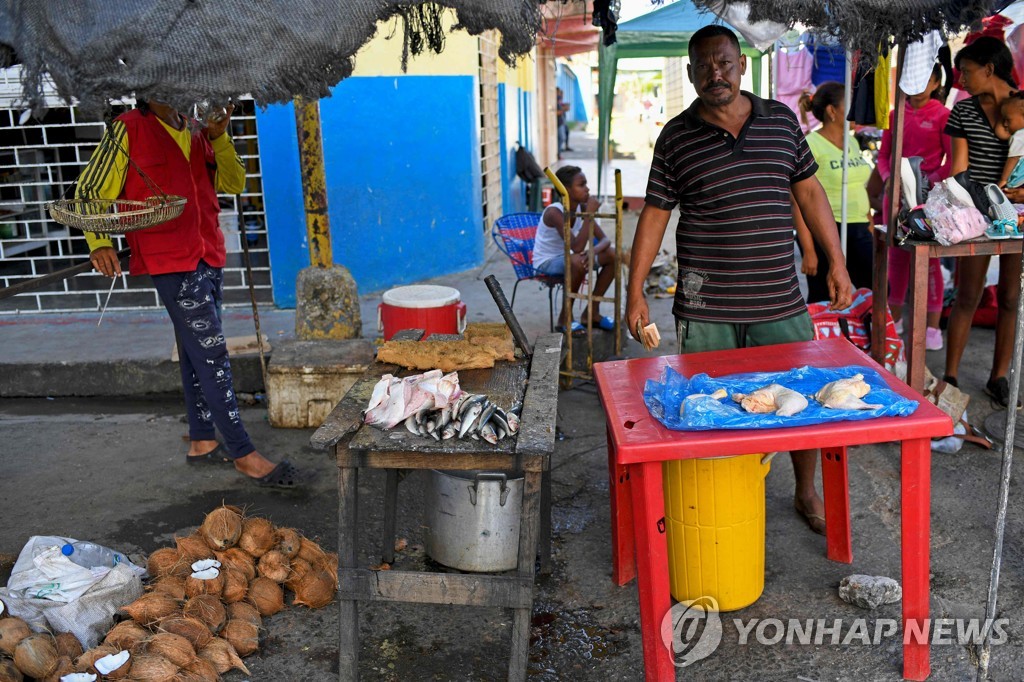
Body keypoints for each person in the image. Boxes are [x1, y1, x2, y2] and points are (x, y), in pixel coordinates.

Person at [627, 25, 854, 536]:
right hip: (707, 308)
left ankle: (803, 488)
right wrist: (635, 289)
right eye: (704, 65)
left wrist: (836, 262)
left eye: (725, 62)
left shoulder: (780, 121)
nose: (716, 73)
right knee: (711, 403)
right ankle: (723, 497)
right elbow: (655, 216)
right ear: (689, 73)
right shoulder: (676, 137)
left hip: (779, 299)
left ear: (742, 65)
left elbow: (811, 194)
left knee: (804, 402)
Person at [80, 99, 311, 488]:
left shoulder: (197, 128)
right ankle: (243, 453)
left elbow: (235, 183)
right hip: (169, 258)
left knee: (194, 349)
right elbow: (89, 190)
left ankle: (203, 440)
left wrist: (219, 137)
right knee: (212, 352)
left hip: (208, 252)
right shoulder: (128, 128)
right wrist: (99, 241)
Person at [944, 37, 1022, 407]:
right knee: (968, 295)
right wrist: (973, 209)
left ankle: (1000, 376)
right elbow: (960, 171)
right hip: (975, 214)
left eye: (967, 71)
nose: (961, 79)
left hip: (1020, 217)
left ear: (989, 69)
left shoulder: (1023, 106)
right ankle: (951, 375)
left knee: (1010, 297)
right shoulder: (963, 112)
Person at [877, 64, 951, 350]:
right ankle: (894, 326)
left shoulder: (943, 115)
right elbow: (884, 156)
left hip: (928, 200)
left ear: (935, 82)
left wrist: (928, 182)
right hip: (894, 198)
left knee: (930, 261)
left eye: (925, 78)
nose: (917, 83)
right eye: (913, 76)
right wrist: (888, 179)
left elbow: (951, 162)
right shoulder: (895, 116)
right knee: (896, 257)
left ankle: (931, 329)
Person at [794, 82, 874, 304]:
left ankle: (861, 337)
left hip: (858, 228)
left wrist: (868, 222)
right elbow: (799, 201)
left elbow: (859, 186)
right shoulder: (810, 145)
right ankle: (825, 338)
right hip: (826, 229)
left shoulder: (853, 143)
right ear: (832, 111)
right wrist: (808, 249)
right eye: (849, 105)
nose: (855, 111)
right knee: (825, 296)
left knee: (874, 289)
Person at [533, 165, 623, 333]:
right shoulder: (554, 212)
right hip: (547, 262)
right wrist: (589, 215)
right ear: (566, 189)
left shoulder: (581, 209)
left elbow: (604, 239)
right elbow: (576, 246)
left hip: (573, 258)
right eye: (581, 185)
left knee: (613, 255)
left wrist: (593, 251)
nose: (587, 189)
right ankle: (564, 318)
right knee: (577, 260)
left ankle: (592, 312)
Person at [556, 87, 571, 154]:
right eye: (558, 93)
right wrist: (563, 109)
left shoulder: (559, 101)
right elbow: (556, 112)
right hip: (559, 123)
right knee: (561, 138)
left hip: (562, 122)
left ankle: (559, 151)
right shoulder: (556, 100)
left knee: (563, 136)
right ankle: (558, 152)